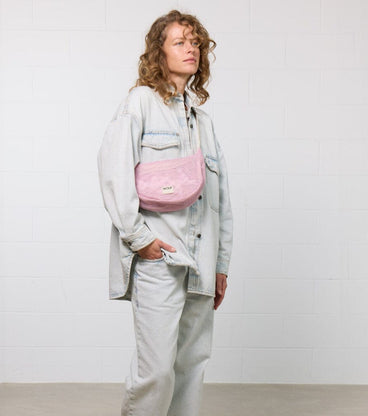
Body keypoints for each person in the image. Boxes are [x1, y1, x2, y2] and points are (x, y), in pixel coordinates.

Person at [97, 9, 233, 416]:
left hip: (201, 263)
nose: (191, 49)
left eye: (196, 43)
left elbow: (221, 201)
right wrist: (142, 241)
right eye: (180, 42)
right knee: (155, 371)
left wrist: (220, 265)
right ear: (159, 52)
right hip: (161, 260)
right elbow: (114, 173)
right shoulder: (140, 103)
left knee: (190, 367)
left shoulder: (203, 121)